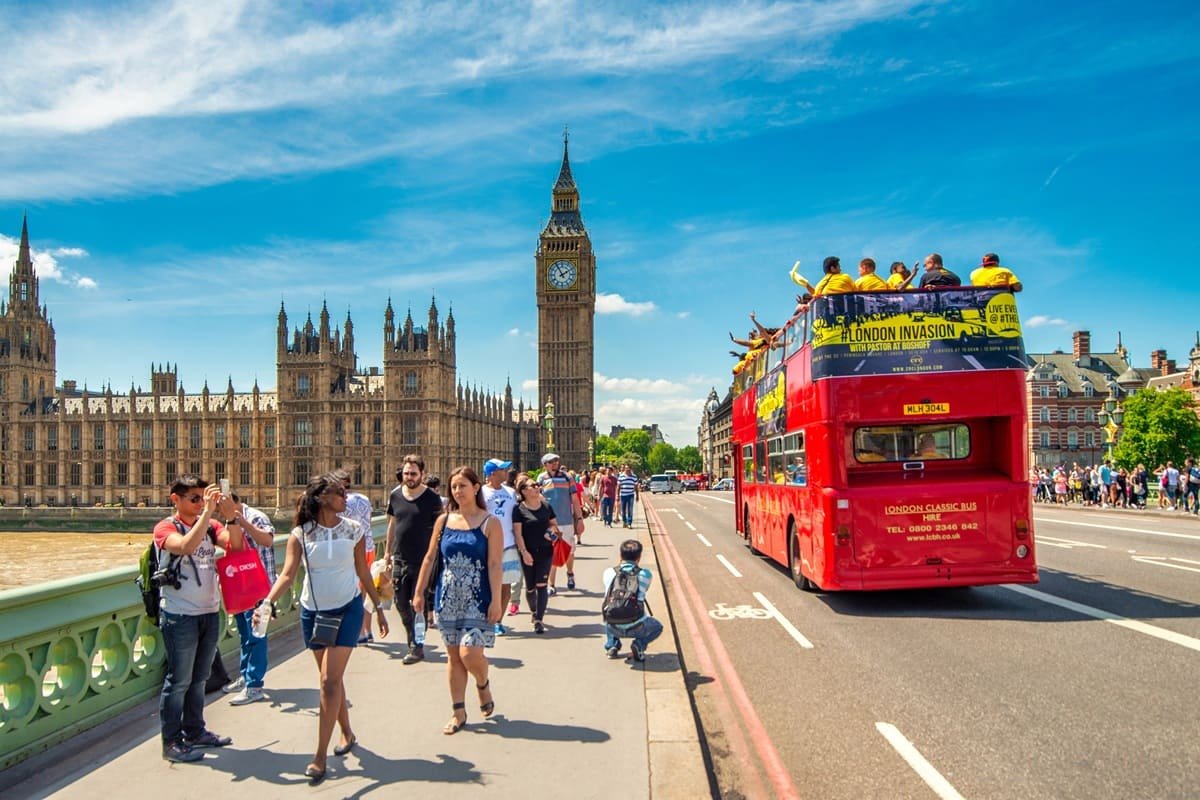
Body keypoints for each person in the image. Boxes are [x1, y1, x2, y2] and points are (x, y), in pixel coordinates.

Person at [257, 472, 387, 785]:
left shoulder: (353, 529)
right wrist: (266, 602)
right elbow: (287, 575)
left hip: (348, 609)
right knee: (331, 681)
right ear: (321, 498)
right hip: (313, 612)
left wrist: (378, 607)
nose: (346, 497)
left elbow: (362, 571)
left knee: (329, 682)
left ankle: (320, 755)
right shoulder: (300, 534)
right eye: (339, 493)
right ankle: (347, 732)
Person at [154, 475, 244, 763]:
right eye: (194, 498)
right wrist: (207, 512)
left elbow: (237, 547)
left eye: (203, 498)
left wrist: (231, 518)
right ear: (175, 499)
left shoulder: (211, 527)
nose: (200, 503)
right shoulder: (166, 527)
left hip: (209, 611)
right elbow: (184, 547)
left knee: (200, 679)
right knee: (178, 681)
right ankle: (171, 742)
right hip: (180, 614)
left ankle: (195, 731)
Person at [413, 466, 503, 735]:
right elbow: (430, 558)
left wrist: (496, 601)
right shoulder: (443, 521)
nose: (457, 491)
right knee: (453, 657)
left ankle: (483, 682)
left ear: (476, 487)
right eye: (454, 487)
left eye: (462, 485)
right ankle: (458, 711)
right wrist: (419, 593)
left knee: (469, 653)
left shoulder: (490, 523)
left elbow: (495, 564)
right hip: (448, 595)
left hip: (478, 596)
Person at [384, 454, 444, 665]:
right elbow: (392, 523)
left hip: (423, 559)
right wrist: (387, 551)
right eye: (406, 474)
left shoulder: (432, 498)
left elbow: (440, 527)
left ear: (422, 474)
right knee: (400, 603)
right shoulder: (395, 495)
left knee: (419, 604)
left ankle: (416, 646)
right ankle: (413, 638)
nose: (409, 477)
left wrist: (436, 553)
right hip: (400, 558)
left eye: (413, 474)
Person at [223, 491, 277, 706]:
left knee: (257, 636)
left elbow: (268, 540)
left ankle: (255, 686)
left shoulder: (255, 516)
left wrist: (241, 521)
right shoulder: (228, 520)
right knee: (245, 636)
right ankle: (246, 677)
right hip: (241, 586)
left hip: (260, 587)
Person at [513, 473, 564, 634]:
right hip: (527, 551)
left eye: (537, 485)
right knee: (530, 587)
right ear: (524, 492)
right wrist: (524, 552)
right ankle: (533, 610)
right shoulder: (519, 510)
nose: (537, 487)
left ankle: (539, 619)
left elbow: (556, 527)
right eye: (533, 486)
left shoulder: (546, 507)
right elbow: (518, 533)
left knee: (542, 585)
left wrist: (552, 533)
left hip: (545, 551)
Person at [332, 471, 377, 645]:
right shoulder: (363, 498)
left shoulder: (343, 503)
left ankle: (358, 633)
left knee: (354, 593)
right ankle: (368, 630)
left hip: (352, 550)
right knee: (364, 591)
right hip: (369, 548)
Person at [602, 539, 663, 662]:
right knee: (658, 626)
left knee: (611, 610)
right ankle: (639, 644)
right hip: (637, 624)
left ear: (620, 555)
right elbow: (644, 591)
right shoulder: (645, 574)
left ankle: (612, 646)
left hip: (613, 625)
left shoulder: (609, 572)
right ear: (639, 557)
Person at [481, 458, 519, 635]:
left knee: (506, 586)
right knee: (487, 585)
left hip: (509, 544)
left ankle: (498, 621)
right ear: (492, 474)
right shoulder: (480, 494)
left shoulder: (511, 492)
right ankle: (485, 618)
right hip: (487, 545)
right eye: (503, 470)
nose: (507, 472)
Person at [538, 453, 584, 593]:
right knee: (551, 552)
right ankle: (551, 585)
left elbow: (575, 500)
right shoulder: (541, 479)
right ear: (545, 465)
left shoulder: (567, 477)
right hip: (550, 523)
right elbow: (537, 499)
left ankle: (570, 573)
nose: (555, 463)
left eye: (556, 461)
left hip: (566, 521)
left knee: (569, 551)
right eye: (551, 462)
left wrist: (580, 519)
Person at [617, 463, 639, 528]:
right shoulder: (621, 476)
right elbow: (618, 486)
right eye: (626, 468)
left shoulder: (634, 476)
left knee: (630, 509)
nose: (627, 470)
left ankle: (629, 523)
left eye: (628, 468)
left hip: (631, 495)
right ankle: (624, 522)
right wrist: (617, 495)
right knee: (623, 510)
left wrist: (637, 495)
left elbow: (636, 486)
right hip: (623, 495)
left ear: (630, 469)